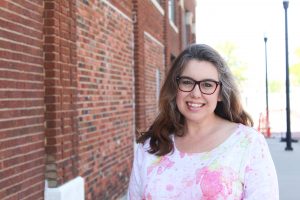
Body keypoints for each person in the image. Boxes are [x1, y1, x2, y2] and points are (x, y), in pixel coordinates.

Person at [127, 44, 279, 199]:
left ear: (220, 93)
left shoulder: (248, 143)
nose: (195, 93)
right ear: (175, 87)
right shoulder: (151, 146)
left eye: (207, 85)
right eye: (187, 82)